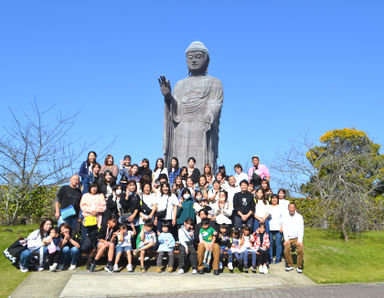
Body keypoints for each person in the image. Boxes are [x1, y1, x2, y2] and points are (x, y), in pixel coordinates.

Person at [160, 41, 223, 173]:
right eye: (190, 57)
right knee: (179, 157)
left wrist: (209, 115)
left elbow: (215, 103)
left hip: (201, 124)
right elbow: (175, 109)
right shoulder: (179, 84)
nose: (194, 60)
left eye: (198, 57)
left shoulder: (214, 83)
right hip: (182, 127)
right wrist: (167, 97)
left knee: (202, 162)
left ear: (207, 61)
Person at [194, 210, 221, 275]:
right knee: (200, 247)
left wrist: (211, 243)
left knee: (216, 246)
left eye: (204, 214)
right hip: (202, 242)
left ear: (206, 215)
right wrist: (204, 243)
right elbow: (196, 237)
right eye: (201, 214)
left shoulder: (211, 224)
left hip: (212, 242)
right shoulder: (198, 226)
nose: (202, 215)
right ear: (199, 216)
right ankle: (200, 267)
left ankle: (216, 268)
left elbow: (216, 235)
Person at [282, 202, 304, 273]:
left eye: (293, 208)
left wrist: (300, 241)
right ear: (288, 208)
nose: (291, 209)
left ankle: (299, 266)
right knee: (286, 250)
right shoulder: (285, 217)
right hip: (288, 238)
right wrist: (286, 240)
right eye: (290, 208)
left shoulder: (299, 217)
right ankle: (290, 265)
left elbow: (301, 229)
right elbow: (284, 229)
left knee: (300, 250)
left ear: (295, 209)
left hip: (297, 238)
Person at [268, 194, 283, 264]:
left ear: (278, 199)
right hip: (269, 227)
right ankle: (270, 257)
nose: (274, 200)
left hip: (278, 228)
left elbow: (283, 218)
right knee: (270, 244)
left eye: (275, 198)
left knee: (278, 243)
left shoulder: (281, 207)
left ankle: (278, 257)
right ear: (271, 199)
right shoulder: (268, 207)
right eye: (273, 198)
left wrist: (282, 226)